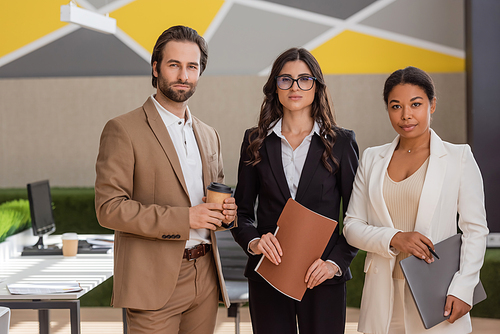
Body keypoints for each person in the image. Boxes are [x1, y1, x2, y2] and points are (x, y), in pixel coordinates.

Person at [94, 25, 237, 334]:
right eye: (174, 65)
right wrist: (185, 218)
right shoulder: (123, 129)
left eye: (192, 67)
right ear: (156, 67)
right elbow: (109, 209)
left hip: (206, 277)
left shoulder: (209, 135)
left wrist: (227, 214)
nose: (183, 75)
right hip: (152, 282)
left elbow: (215, 201)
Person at [343, 66, 488, 334]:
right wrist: (395, 237)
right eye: (395, 106)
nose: (406, 115)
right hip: (383, 296)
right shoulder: (372, 159)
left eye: (416, 104)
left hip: (437, 292)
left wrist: (464, 287)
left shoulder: (459, 158)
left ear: (432, 105)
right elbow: (351, 227)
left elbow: (475, 229)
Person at [231, 47, 359, 334]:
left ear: (317, 86)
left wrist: (333, 264)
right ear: (275, 87)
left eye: (304, 79)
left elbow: (357, 216)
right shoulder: (255, 141)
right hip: (269, 273)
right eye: (285, 79)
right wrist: (254, 242)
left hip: (322, 276)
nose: (295, 87)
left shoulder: (341, 142)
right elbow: (241, 211)